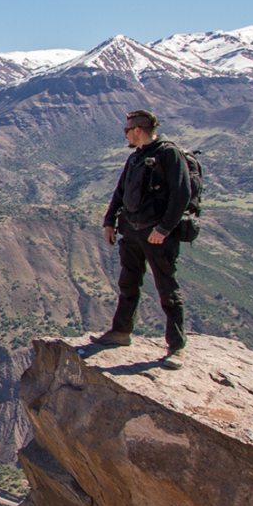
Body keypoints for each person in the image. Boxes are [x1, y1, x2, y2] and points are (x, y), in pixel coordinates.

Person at [91, 109, 191, 369]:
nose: (124, 135)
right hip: (132, 232)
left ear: (138, 130)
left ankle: (176, 347)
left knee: (167, 290)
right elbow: (120, 191)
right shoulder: (136, 157)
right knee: (128, 283)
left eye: (126, 130)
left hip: (157, 236)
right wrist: (109, 222)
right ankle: (121, 333)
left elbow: (182, 194)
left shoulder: (169, 154)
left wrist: (164, 229)